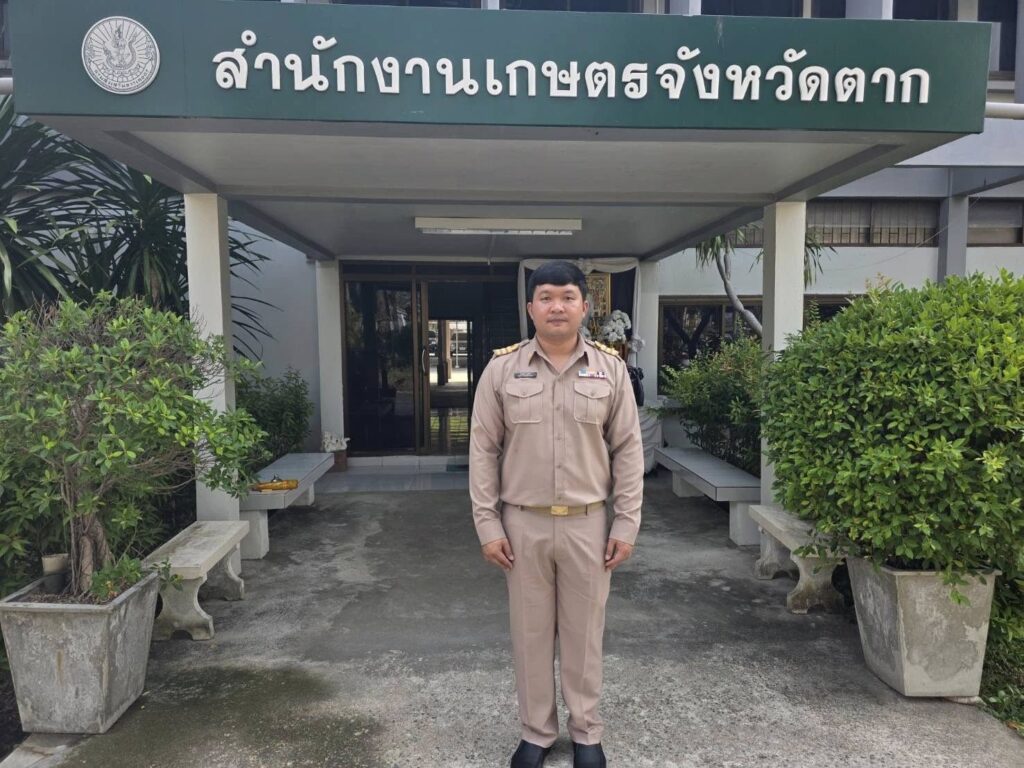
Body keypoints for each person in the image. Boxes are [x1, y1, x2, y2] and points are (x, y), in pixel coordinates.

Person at [469, 261, 644, 768]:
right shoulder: (502, 370)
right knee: (530, 634)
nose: (557, 307)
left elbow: (628, 450)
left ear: (585, 306)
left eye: (567, 297)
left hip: (589, 523)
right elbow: (482, 450)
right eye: (545, 297)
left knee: (585, 634)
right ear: (530, 308)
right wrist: (488, 524)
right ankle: (536, 733)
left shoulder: (610, 369)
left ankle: (586, 732)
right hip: (522, 523)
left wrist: (626, 522)